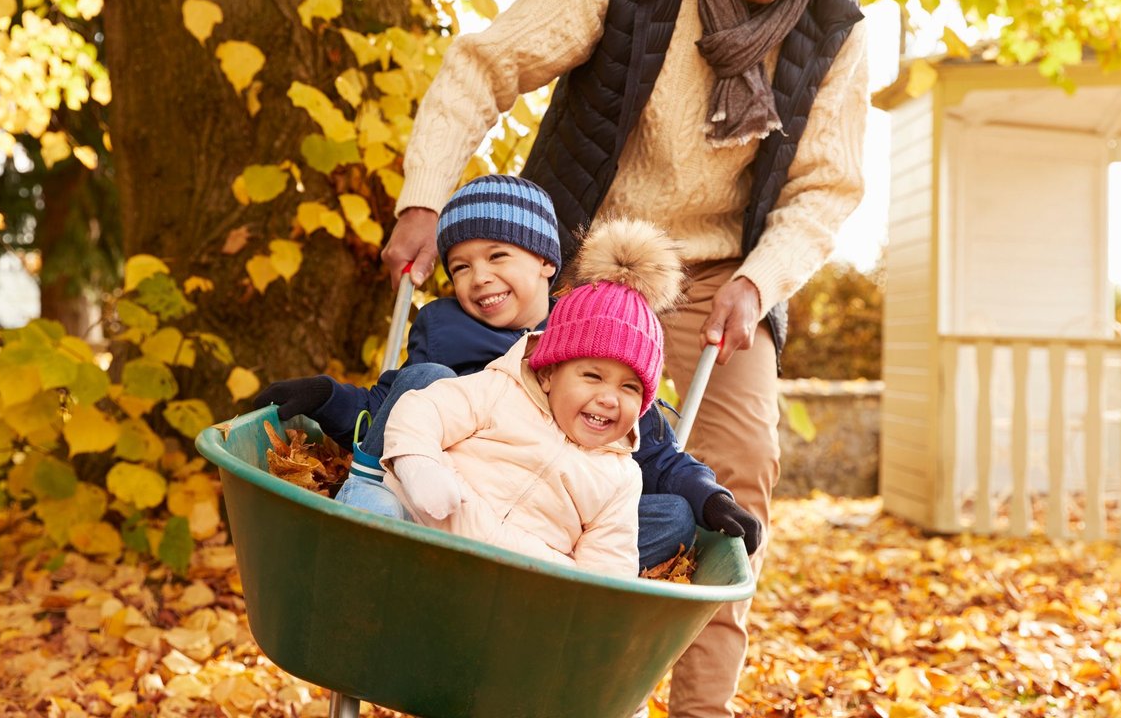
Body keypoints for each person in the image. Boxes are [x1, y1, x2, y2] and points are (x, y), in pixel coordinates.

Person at [377, 0, 867, 710]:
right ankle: (495, 662)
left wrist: (759, 280)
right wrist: (423, 200)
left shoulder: (833, 29)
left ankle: (699, 705)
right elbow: (488, 62)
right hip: (579, 250)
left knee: (738, 474)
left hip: (723, 274)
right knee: (502, 430)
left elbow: (827, 186)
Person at [254, 175, 761, 570]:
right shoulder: (445, 330)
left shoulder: (600, 337)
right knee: (425, 381)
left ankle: (552, 576)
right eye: (460, 267)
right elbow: (390, 410)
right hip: (445, 498)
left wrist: (708, 496)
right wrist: (326, 396)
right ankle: (371, 515)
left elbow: (658, 453)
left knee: (670, 515)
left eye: (498, 256)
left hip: (547, 527)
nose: (480, 278)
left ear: (546, 262)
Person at [377, 217, 684, 576]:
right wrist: (420, 465)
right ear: (549, 373)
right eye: (592, 377)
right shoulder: (502, 391)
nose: (609, 398)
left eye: (629, 387)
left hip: (516, 577)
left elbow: (607, 565)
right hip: (427, 522)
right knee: (385, 499)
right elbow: (423, 409)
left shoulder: (620, 478)